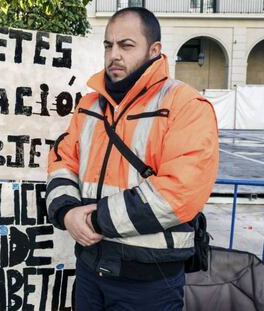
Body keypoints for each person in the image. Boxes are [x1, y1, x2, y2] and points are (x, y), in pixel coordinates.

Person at [46, 7, 219, 311]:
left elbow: (180, 192)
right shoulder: (89, 105)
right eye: (108, 45)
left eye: (126, 45)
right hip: (90, 270)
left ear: (154, 50)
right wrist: (66, 213)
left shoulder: (186, 105)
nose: (114, 54)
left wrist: (94, 219)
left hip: (150, 283)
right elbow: (62, 160)